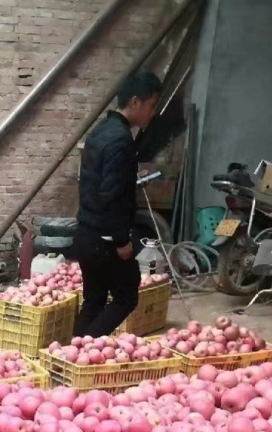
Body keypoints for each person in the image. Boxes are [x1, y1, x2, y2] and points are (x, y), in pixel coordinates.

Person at [72, 71, 163, 338]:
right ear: (135, 101)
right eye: (151, 105)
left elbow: (98, 181)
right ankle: (86, 350)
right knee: (126, 296)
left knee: (94, 301)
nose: (152, 113)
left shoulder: (100, 131)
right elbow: (110, 196)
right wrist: (122, 240)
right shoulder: (121, 140)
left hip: (86, 232)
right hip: (105, 239)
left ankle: (71, 352)